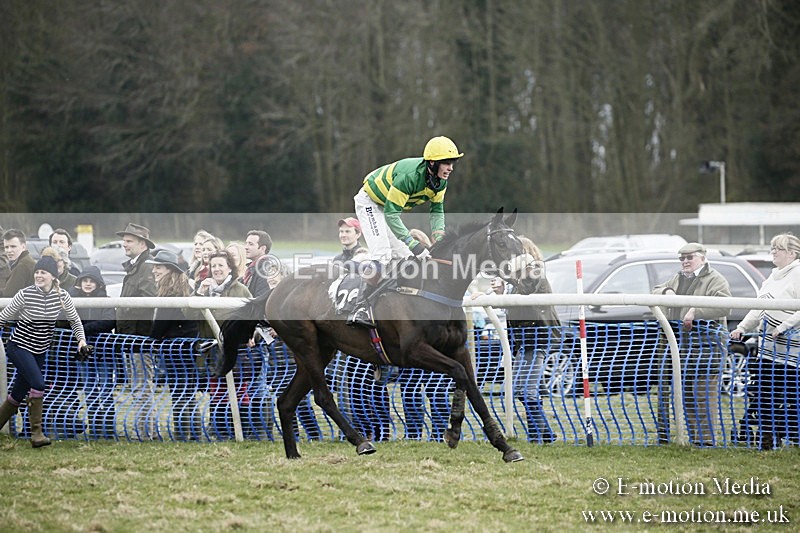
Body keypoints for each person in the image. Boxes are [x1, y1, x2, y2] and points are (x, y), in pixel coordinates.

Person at [348, 136, 464, 327]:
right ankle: (360, 307)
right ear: (433, 163)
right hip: (370, 202)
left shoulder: (440, 181)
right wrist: (415, 244)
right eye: (446, 163)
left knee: (405, 256)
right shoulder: (410, 177)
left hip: (387, 207)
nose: (451, 167)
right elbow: (392, 215)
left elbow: (437, 211)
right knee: (383, 255)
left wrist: (439, 237)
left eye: (452, 163)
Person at [0, 256, 91, 447]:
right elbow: (3, 317)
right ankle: (37, 435)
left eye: (43, 272)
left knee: (17, 394)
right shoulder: (25, 294)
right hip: (19, 346)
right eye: (37, 272)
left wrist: (81, 340)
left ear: (53, 276)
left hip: (40, 350)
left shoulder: (62, 296)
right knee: (38, 384)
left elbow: (75, 321)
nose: (39, 275)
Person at [652, 242, 731, 446]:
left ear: (702, 258)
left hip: (707, 348)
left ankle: (706, 442)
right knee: (687, 397)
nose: (685, 261)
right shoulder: (678, 278)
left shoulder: (716, 279)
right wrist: (667, 291)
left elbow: (725, 306)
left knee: (703, 397)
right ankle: (696, 440)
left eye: (689, 257)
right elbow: (657, 289)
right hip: (682, 348)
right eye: (682, 258)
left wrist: (697, 311)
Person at [731, 233, 800, 449]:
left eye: (778, 248)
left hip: (793, 352)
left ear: (792, 253)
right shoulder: (771, 277)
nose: (773, 252)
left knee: (791, 396)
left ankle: (792, 435)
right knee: (763, 393)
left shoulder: (798, 273)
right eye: (772, 247)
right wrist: (741, 328)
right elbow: (759, 308)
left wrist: (783, 327)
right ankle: (767, 437)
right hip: (767, 349)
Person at [505, 236, 561, 444]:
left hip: (537, 339)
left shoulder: (535, 273)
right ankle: (545, 434)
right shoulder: (519, 279)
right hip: (524, 341)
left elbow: (526, 289)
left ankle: (538, 437)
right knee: (521, 390)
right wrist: (502, 293)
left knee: (527, 391)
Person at [195, 251, 252, 439]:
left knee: (239, 391)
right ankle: (220, 432)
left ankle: (243, 431)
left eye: (220, 265)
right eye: (213, 266)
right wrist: (199, 293)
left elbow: (252, 316)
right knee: (217, 391)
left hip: (237, 350)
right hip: (212, 351)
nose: (216, 269)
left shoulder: (241, 290)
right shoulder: (202, 289)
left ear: (229, 267)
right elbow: (188, 315)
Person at [145, 249, 202, 441]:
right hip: (186, 348)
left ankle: (182, 434)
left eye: (158, 267)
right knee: (187, 392)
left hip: (176, 349)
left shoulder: (170, 291)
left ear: (169, 269)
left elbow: (161, 323)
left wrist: (151, 339)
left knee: (180, 392)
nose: (154, 271)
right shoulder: (183, 286)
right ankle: (192, 433)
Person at [115, 223, 158, 440]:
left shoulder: (146, 267)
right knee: (138, 386)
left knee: (142, 387)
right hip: (131, 338)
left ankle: (146, 433)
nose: (124, 243)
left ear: (142, 244)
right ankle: (144, 430)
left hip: (140, 339)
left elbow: (150, 301)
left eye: (129, 240)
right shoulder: (136, 266)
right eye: (124, 239)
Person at [67, 266, 118, 439]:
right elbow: (68, 320)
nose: (88, 284)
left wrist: (82, 329)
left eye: (91, 281)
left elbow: (109, 321)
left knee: (105, 389)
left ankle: (109, 428)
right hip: (83, 353)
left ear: (98, 283)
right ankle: (95, 427)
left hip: (103, 351)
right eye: (85, 281)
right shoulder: (72, 300)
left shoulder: (106, 300)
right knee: (89, 390)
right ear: (80, 283)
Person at [2, 228, 36, 297]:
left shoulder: (22, 265)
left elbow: (8, 294)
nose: (9, 250)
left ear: (23, 247)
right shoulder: (25, 261)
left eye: (13, 246)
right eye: (6, 247)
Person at [242, 230, 273, 298]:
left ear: (262, 248)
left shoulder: (264, 271)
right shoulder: (251, 268)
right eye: (246, 243)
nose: (246, 247)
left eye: (251, 244)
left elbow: (260, 300)